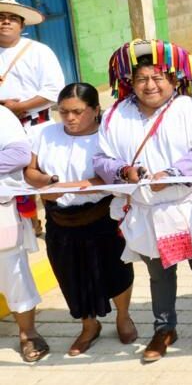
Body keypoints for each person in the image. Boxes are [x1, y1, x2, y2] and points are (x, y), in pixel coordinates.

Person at [93, 39, 192, 362]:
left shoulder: (189, 108)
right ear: (130, 83)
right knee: (158, 272)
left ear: (173, 79)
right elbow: (101, 160)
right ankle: (165, 327)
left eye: (157, 77)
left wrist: (174, 174)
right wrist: (123, 171)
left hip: (186, 205)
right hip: (145, 208)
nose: (150, 85)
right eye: (141, 79)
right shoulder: (115, 116)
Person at [23, 83, 136, 356]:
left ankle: (123, 317)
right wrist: (48, 182)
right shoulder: (44, 134)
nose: (70, 118)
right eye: (63, 112)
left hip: (101, 216)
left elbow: (113, 176)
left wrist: (73, 186)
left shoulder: (108, 136)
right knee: (70, 275)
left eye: (77, 112)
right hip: (60, 219)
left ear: (96, 110)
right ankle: (89, 326)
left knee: (115, 269)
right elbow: (30, 171)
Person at [0, 0, 66, 236]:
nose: (5, 22)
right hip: (2, 131)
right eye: (0, 18)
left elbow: (54, 90)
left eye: (11, 19)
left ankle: (52, 223)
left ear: (22, 25)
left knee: (40, 176)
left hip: (36, 126)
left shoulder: (39, 52)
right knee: (8, 182)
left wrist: (21, 107)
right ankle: (24, 226)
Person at [0, 105, 46, 362]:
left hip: (2, 210)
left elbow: (19, 155)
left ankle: (28, 334)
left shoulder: (2, 116)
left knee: (13, 273)